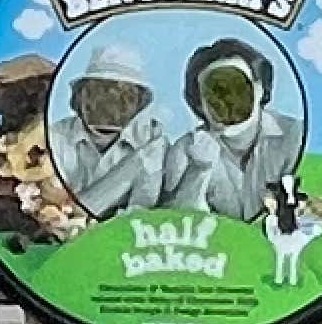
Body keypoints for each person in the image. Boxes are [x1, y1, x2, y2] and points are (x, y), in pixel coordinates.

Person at [162, 36, 305, 219]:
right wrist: (199, 170)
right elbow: (177, 224)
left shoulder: (296, 138)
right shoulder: (184, 151)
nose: (227, 99)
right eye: (215, 90)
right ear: (199, 103)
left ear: (260, 88)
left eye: (237, 85)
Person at [46, 41, 167, 219]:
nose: (110, 102)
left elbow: (148, 212)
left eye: (125, 95)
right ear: (80, 96)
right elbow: (62, 212)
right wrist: (131, 168)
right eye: (102, 90)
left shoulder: (151, 139)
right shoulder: (55, 138)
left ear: (139, 103)